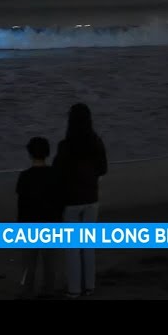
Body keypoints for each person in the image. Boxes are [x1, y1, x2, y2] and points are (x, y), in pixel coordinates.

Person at [52, 103, 107, 298]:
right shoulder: (96, 142)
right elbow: (103, 169)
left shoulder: (65, 146)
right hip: (91, 198)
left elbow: (57, 174)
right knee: (88, 246)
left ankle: (74, 289)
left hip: (71, 201)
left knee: (73, 248)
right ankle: (89, 286)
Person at [15, 136, 62, 298]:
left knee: (29, 263)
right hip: (50, 222)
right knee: (49, 263)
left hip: (29, 223)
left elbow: (21, 205)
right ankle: (48, 290)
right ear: (47, 153)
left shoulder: (24, 176)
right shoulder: (54, 174)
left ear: (30, 154)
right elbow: (59, 201)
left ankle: (27, 291)